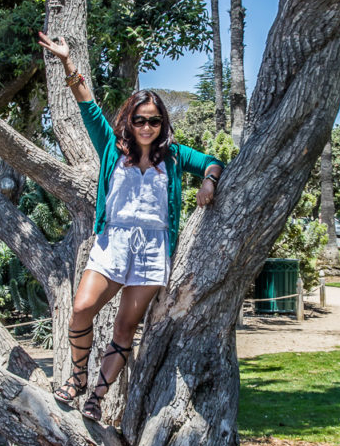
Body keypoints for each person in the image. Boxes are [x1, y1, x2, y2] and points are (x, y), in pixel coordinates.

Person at [38, 30, 225, 421]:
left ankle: (97, 398)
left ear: (162, 123)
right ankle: (77, 379)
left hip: (153, 248)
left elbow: (211, 161)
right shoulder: (111, 146)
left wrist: (209, 180)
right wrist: (68, 62)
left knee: (124, 328)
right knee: (81, 309)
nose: (146, 126)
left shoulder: (172, 156)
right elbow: (87, 105)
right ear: (130, 119)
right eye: (139, 119)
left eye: (154, 121)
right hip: (113, 242)